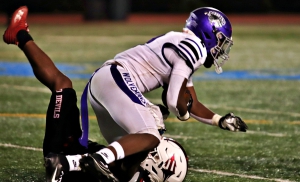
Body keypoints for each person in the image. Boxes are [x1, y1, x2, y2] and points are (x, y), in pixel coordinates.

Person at [3, 6, 248, 182]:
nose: (220, 48)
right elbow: (176, 101)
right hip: (116, 79)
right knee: (151, 133)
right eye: (220, 40)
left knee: (139, 137)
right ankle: (76, 162)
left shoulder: (183, 44)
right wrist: (179, 113)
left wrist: (218, 119)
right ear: (207, 33)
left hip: (108, 80)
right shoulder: (193, 47)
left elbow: (186, 100)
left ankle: (20, 34)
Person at [2, 6, 106, 182]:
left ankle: (20, 34)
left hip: (62, 152)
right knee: (64, 84)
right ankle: (19, 34)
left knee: (62, 85)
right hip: (76, 145)